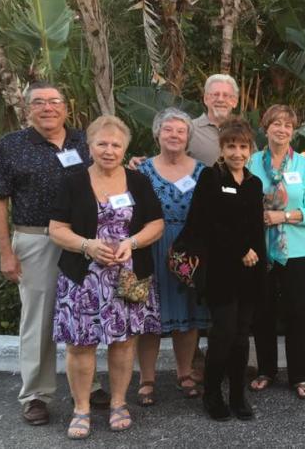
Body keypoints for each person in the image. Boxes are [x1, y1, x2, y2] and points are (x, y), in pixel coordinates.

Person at [0, 82, 109, 426]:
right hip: (36, 239)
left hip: (82, 241)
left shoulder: (84, 141)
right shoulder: (12, 146)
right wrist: (5, 252)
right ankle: (36, 395)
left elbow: (110, 170)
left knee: (84, 315)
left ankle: (89, 384)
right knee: (38, 320)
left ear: (66, 108)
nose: (48, 108)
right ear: (28, 110)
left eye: (55, 101)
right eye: (39, 102)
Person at [49, 115, 164, 438]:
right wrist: (87, 245)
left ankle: (118, 403)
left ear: (125, 148)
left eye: (116, 144)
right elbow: (56, 229)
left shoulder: (138, 182)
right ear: (90, 147)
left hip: (129, 275)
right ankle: (81, 408)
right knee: (80, 345)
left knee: (125, 343)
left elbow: (156, 223)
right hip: (83, 277)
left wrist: (132, 242)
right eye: (102, 143)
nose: (109, 150)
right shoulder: (73, 182)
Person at [181, 118, 265, 420]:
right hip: (221, 270)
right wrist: (241, 250)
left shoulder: (254, 183)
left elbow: (257, 227)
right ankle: (212, 394)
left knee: (242, 336)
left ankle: (238, 396)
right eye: (231, 146)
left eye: (243, 147)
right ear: (222, 148)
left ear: (251, 150)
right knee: (223, 333)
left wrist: (257, 260)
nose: (237, 153)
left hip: (250, 271)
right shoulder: (211, 178)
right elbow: (209, 223)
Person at [247, 105, 305, 399]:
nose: (282, 130)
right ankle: (267, 370)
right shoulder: (251, 163)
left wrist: (283, 216)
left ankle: (298, 376)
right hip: (260, 251)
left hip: (296, 251)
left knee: (297, 314)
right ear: (265, 129)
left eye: (287, 126)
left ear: (293, 131)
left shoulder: (304, 167)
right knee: (262, 312)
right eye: (276, 124)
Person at [135, 109, 209, 405]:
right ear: (158, 134)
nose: (174, 135)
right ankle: (147, 379)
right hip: (151, 245)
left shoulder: (203, 171)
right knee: (150, 317)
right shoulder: (142, 170)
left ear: (188, 136)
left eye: (180, 130)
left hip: (188, 249)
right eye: (168, 130)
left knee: (188, 316)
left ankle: (185, 373)